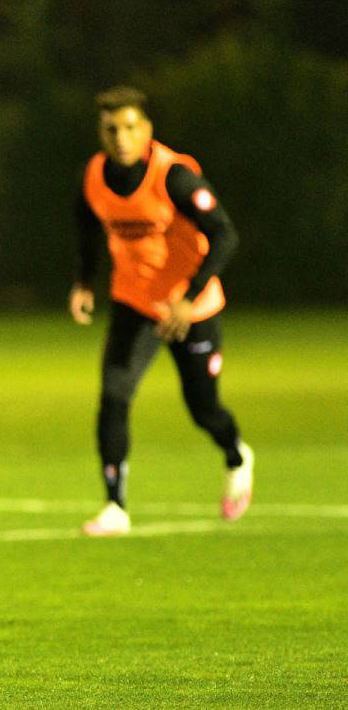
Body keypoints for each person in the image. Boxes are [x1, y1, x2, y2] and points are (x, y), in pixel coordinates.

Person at [70, 85, 253, 537]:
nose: (121, 138)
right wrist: (84, 282)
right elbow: (87, 225)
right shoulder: (93, 175)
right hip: (134, 303)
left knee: (203, 409)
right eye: (111, 129)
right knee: (114, 395)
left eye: (130, 127)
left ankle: (236, 455)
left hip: (192, 308)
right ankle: (115, 506)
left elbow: (225, 234)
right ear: (100, 132)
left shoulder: (174, 177)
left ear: (147, 129)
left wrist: (188, 299)